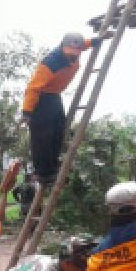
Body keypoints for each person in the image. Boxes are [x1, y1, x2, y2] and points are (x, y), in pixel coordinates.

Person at [20, 34, 96, 186]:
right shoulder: (50, 63)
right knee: (43, 137)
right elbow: (33, 88)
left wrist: (96, 41)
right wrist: (27, 112)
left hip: (54, 96)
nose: (72, 57)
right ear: (62, 46)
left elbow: (85, 44)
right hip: (41, 99)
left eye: (75, 53)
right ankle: (43, 173)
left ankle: (53, 167)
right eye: (69, 53)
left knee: (58, 131)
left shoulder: (78, 49)